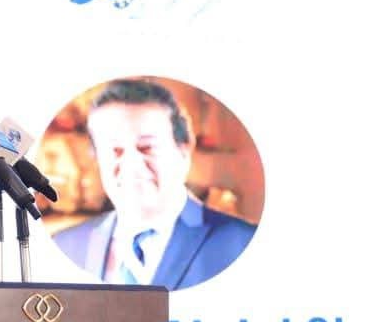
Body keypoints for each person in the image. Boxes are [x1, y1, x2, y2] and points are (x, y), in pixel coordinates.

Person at [51, 78, 255, 290]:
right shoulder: (66, 247)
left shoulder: (240, 244)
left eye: (147, 147)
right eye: (115, 150)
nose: (132, 163)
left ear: (183, 150)